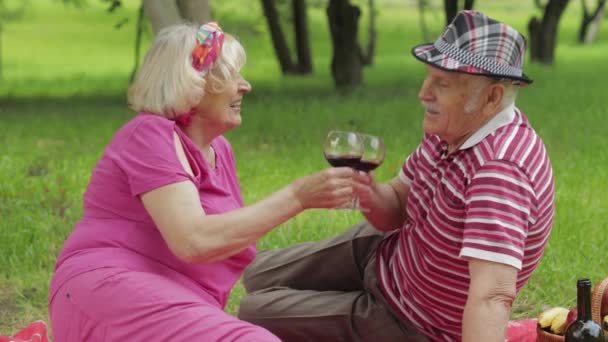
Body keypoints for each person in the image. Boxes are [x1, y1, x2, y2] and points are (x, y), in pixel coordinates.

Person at [238, 10, 555, 342]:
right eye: (428, 76)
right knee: (255, 273)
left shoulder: (500, 172)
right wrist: (371, 193)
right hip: (391, 255)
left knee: (253, 311)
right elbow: (399, 206)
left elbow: (492, 297)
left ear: (492, 98)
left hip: (411, 321)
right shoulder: (452, 128)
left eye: (441, 83)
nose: (423, 93)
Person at [48, 22, 361, 341]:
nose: (245, 86)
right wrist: (298, 196)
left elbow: (221, 241)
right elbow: (193, 240)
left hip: (176, 299)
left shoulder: (219, 151)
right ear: (190, 83)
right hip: (106, 287)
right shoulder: (149, 135)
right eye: (230, 76)